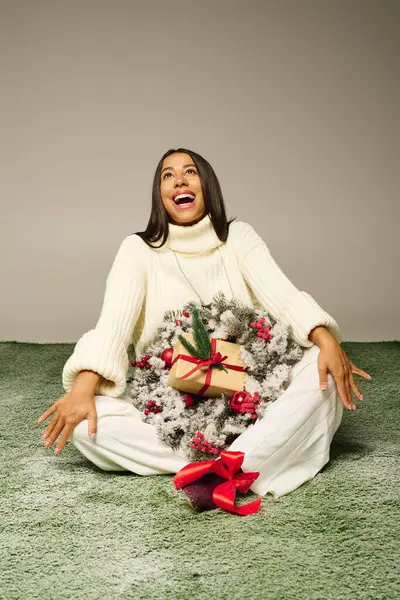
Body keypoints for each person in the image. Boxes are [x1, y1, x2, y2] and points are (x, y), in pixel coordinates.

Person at [37, 147, 372, 498]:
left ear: (207, 185)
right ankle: (246, 461)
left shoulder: (238, 237)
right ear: (160, 193)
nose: (179, 179)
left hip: (252, 390)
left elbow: (283, 296)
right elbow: (112, 327)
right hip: (174, 402)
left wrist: (327, 341)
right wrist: (82, 390)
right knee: (87, 426)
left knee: (324, 377)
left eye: (190, 172)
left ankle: (218, 470)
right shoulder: (137, 249)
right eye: (168, 175)